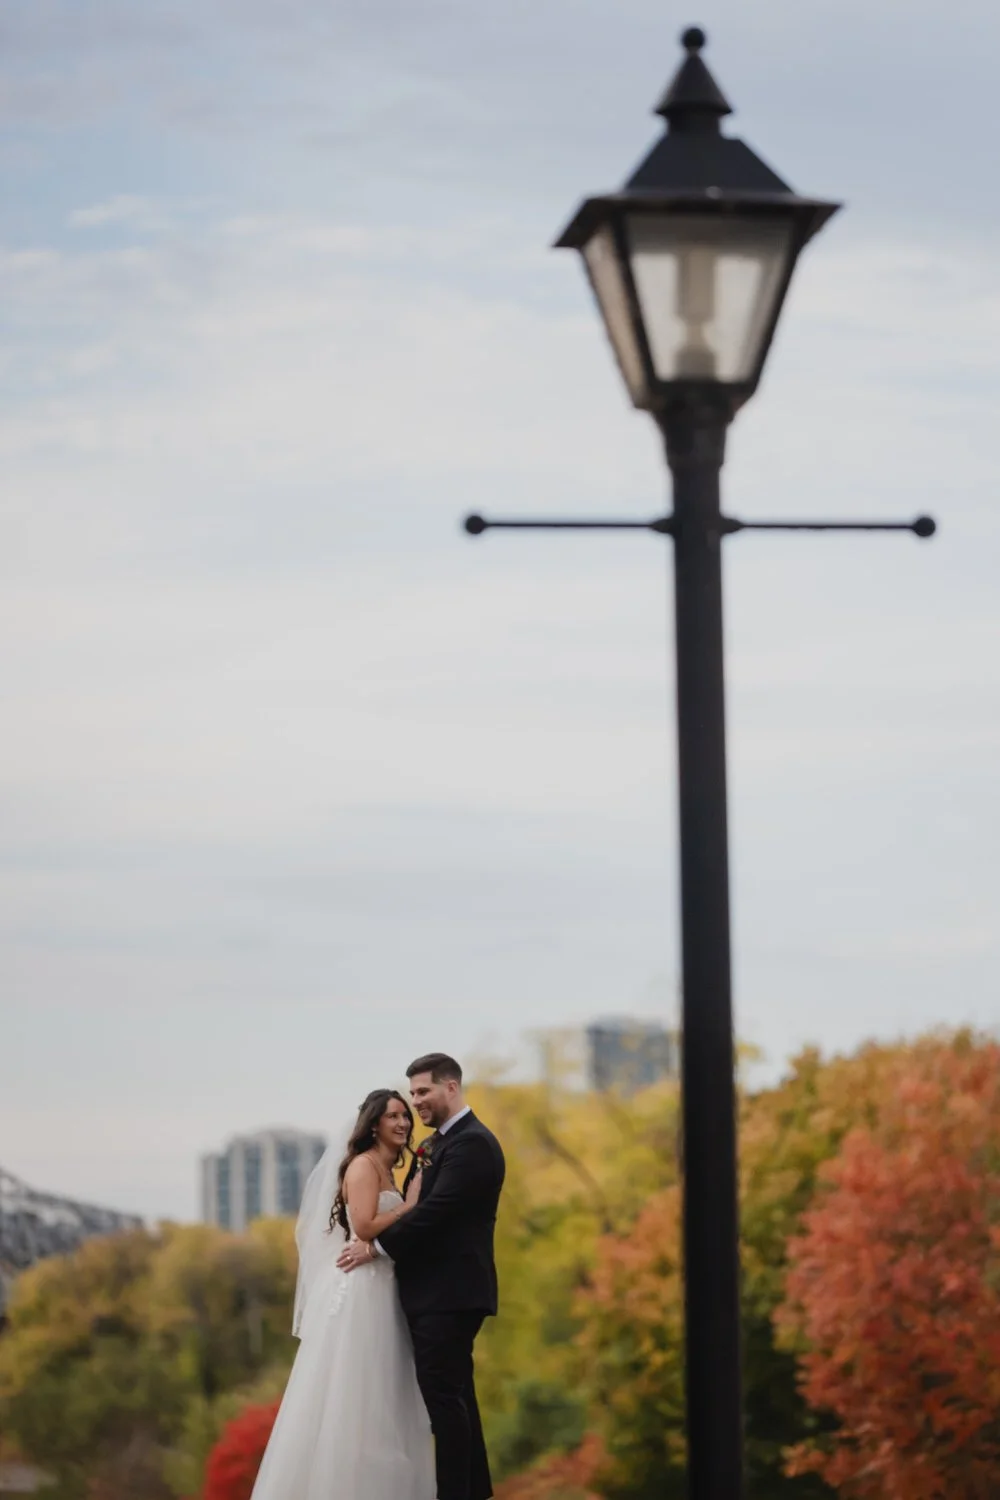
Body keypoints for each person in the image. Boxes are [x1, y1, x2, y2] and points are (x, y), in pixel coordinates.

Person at [249, 1088, 436, 1500]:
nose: (403, 1123)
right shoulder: (363, 1167)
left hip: (386, 1286)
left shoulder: (389, 1170)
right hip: (361, 1292)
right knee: (357, 1392)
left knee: (388, 1396)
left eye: (406, 1116)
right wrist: (413, 1205)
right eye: (393, 1116)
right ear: (373, 1124)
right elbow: (366, 1227)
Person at [338, 1052, 506, 1500]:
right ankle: (473, 1491)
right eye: (411, 1094)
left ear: (451, 1087)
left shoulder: (471, 1144)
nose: (416, 1103)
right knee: (456, 1397)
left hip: (449, 1293)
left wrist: (374, 1248)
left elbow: (435, 1212)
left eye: (423, 1092)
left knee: (442, 1401)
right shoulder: (436, 1145)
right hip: (432, 1293)